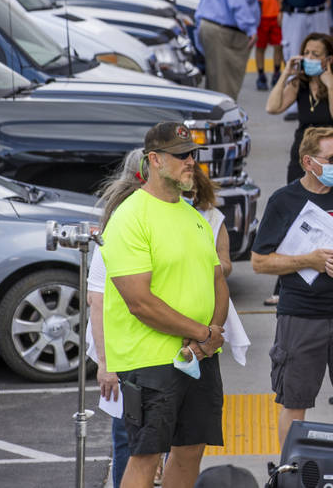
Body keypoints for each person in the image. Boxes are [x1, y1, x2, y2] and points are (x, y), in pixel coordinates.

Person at [101, 123, 229, 488]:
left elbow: (218, 281)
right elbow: (140, 302)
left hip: (198, 357)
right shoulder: (130, 218)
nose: (191, 162)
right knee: (145, 456)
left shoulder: (192, 217)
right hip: (150, 361)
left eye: (193, 154)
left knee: (191, 449)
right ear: (154, 160)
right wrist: (202, 333)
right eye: (181, 155)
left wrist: (208, 339)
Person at [251, 127, 333, 450]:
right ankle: (289, 473)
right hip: (301, 316)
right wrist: (307, 260)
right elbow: (260, 262)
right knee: (295, 399)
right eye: (331, 158)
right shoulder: (284, 201)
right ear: (308, 162)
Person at [266, 33, 333, 182]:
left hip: (330, 157)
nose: (309, 58)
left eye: (315, 54)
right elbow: (272, 108)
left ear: (329, 60)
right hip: (303, 152)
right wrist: (285, 75)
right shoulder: (300, 82)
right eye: (306, 53)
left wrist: (331, 85)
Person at [250, 0, 284, 91]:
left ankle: (276, 72)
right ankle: (261, 74)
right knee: (260, 47)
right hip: (260, 17)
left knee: (278, 46)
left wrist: (281, 11)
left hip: (275, 15)